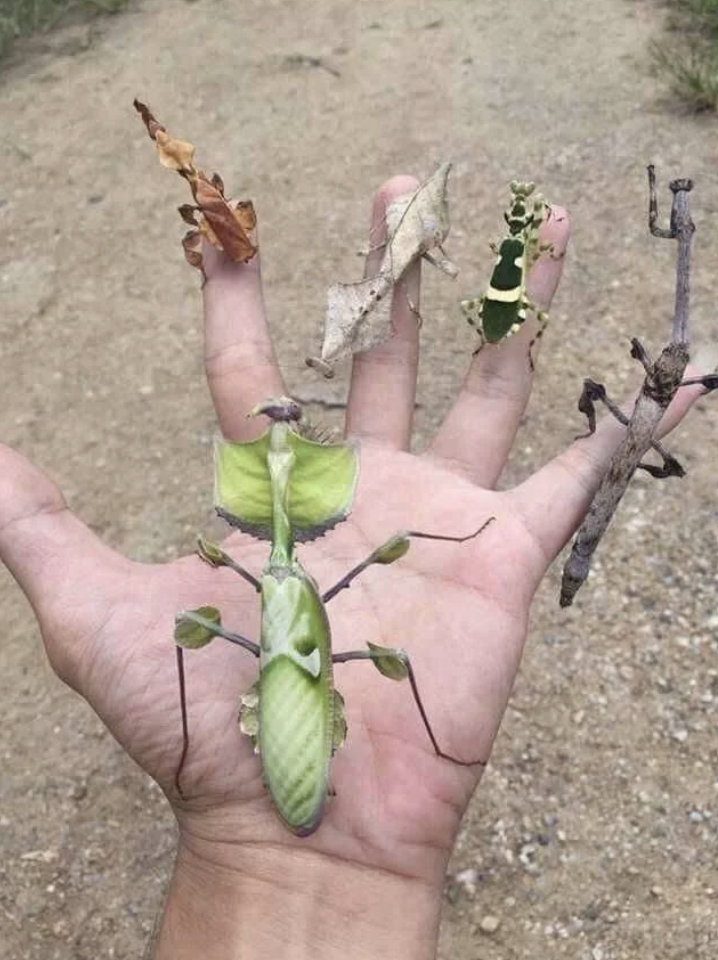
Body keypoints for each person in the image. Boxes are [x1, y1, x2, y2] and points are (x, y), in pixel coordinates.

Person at [0, 177, 703, 959]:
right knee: (355, 633)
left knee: (301, 618)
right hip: (289, 727)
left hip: (292, 697)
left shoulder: (275, 557)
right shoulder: (288, 551)